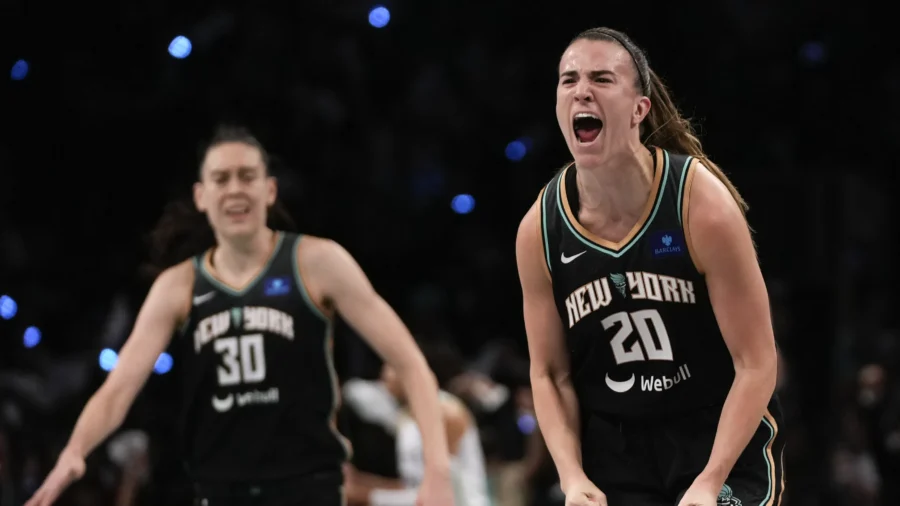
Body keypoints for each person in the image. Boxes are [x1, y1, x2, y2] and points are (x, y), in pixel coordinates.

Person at [25, 125, 456, 506]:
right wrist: (75, 451)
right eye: (221, 178)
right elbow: (117, 390)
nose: (235, 189)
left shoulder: (317, 262)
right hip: (220, 491)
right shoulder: (178, 286)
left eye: (247, 176)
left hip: (309, 489)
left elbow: (411, 364)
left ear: (269, 190)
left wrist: (437, 473)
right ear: (201, 196)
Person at [515, 28, 785, 506]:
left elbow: (757, 362)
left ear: (639, 109)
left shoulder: (700, 205)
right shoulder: (540, 229)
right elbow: (549, 374)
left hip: (716, 431)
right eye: (569, 79)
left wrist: (709, 479)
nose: (582, 90)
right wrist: (572, 476)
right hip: (616, 450)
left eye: (601, 78)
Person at [342, 341, 491, 506]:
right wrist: (358, 482)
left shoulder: (446, 412)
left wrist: (365, 495)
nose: (384, 374)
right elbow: (414, 486)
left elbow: (444, 491)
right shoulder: (405, 415)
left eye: (391, 366)